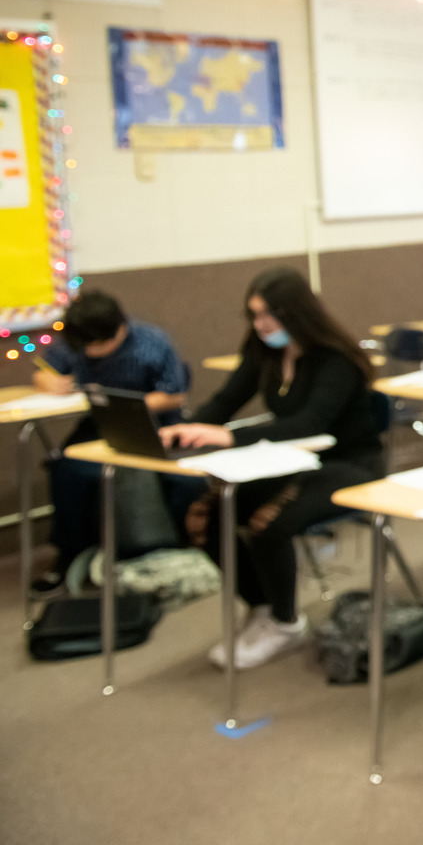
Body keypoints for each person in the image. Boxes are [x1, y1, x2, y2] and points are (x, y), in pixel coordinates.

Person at [162, 267, 383, 669]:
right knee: (202, 515)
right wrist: (191, 428)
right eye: (254, 315)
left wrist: (228, 438)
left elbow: (309, 423)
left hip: (349, 465)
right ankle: (263, 606)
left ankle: (285, 623)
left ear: (295, 314)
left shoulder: (336, 360)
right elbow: (228, 399)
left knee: (268, 524)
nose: (261, 325)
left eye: (269, 315)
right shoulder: (264, 350)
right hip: (290, 464)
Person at [30, 290, 193, 591]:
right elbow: (43, 371)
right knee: (66, 469)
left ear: (120, 328)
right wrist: (50, 382)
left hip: (153, 421)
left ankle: (173, 546)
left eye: (100, 344)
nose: (92, 351)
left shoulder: (152, 342)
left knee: (178, 478)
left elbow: (174, 394)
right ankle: (70, 552)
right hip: (100, 423)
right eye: (86, 346)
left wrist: (124, 404)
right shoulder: (74, 340)